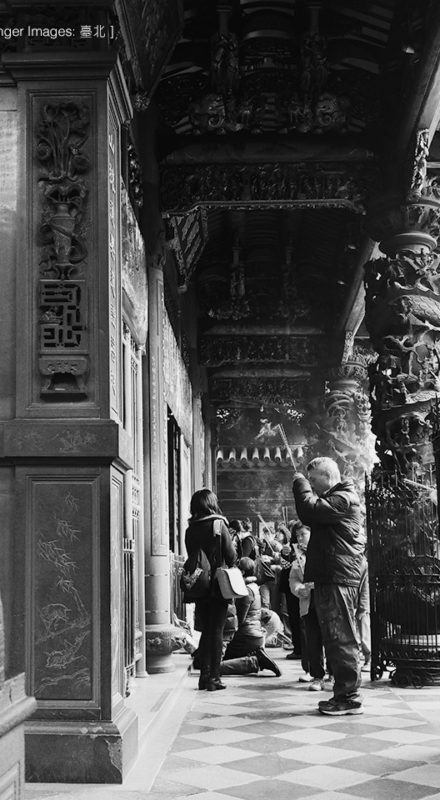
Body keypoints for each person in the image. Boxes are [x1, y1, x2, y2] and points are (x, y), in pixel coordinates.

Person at [292, 456, 367, 715]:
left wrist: (299, 483)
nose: (311, 484)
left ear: (327, 476)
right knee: (335, 637)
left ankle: (349, 697)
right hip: (332, 576)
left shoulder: (343, 498)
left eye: (313, 479)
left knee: (341, 637)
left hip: (339, 577)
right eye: (309, 481)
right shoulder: (337, 499)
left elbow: (309, 510)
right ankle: (344, 694)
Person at [185, 488, 236, 691]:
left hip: (199, 584)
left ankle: (204, 676)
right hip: (217, 584)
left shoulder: (190, 529)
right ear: (211, 503)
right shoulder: (218, 524)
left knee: (206, 630)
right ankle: (214, 677)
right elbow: (231, 556)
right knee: (216, 631)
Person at [220, 557, 281, 677]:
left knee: (210, 665)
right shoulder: (252, 586)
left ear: (242, 572)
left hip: (246, 637)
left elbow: (239, 619)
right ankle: (255, 659)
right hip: (252, 636)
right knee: (205, 661)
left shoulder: (245, 590)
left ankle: (254, 661)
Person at [289, 523, 326, 690]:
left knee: (331, 639)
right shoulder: (298, 557)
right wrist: (300, 589)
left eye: (303, 534)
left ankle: (333, 673)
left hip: (326, 601)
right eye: (297, 536)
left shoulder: (323, 550)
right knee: (312, 640)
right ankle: (317, 676)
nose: (300, 538)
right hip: (308, 603)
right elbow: (294, 579)